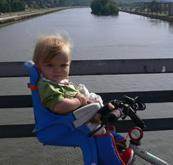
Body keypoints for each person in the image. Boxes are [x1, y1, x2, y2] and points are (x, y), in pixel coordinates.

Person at [32, 34, 133, 164]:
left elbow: (71, 93)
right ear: (39, 66)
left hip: (75, 118)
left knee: (96, 112)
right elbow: (58, 105)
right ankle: (114, 160)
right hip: (64, 123)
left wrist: (81, 97)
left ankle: (118, 145)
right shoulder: (47, 86)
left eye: (63, 65)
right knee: (96, 130)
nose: (57, 70)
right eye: (50, 65)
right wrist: (79, 102)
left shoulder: (58, 81)